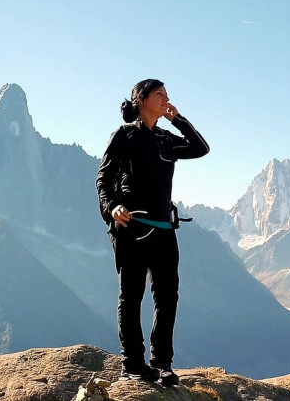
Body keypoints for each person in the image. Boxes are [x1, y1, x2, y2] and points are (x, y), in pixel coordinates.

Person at [96, 79, 209, 385]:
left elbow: (201, 149)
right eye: (160, 94)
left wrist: (179, 120)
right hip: (130, 228)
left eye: (167, 95)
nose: (166, 99)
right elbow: (103, 179)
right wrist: (113, 207)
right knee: (131, 295)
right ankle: (132, 363)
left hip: (163, 229)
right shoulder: (124, 136)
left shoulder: (164, 138)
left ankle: (161, 364)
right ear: (141, 99)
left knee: (167, 296)